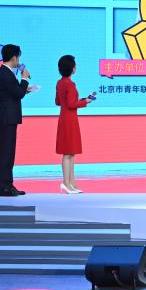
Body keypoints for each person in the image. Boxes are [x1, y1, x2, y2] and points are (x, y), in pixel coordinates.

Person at [55, 55, 94, 194]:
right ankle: (66, 184)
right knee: (68, 153)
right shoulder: (70, 84)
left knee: (70, 152)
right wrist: (85, 101)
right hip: (70, 120)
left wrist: (81, 100)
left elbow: (58, 102)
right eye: (74, 65)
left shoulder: (60, 83)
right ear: (72, 68)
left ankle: (72, 183)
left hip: (64, 118)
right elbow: (71, 104)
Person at [0, 44, 30, 197]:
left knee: (7, 152)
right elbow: (18, 94)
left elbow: (14, 92)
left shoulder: (6, 73)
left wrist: (23, 88)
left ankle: (7, 184)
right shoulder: (5, 73)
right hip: (7, 118)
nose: (19, 61)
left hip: (7, 118)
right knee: (7, 153)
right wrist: (24, 79)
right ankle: (5, 186)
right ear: (14, 57)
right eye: (18, 57)